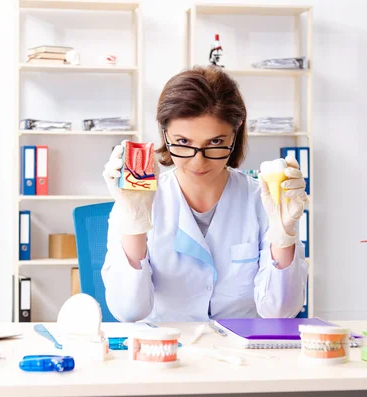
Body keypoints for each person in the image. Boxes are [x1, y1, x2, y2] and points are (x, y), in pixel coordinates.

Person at [101, 65, 309, 323]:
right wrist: (133, 223)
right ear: (164, 133)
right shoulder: (136, 201)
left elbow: (281, 313)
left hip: (243, 354)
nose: (198, 162)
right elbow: (129, 312)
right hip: (165, 349)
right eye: (184, 142)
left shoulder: (263, 200)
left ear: (236, 131)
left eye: (215, 142)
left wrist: (283, 235)